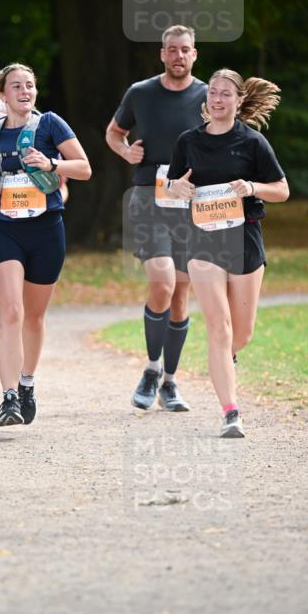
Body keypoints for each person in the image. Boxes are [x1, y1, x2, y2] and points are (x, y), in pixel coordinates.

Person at [0, 63, 91, 426]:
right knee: (11, 311)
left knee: (33, 316)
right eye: (16, 86)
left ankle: (27, 381)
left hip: (47, 229)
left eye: (30, 85)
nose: (24, 91)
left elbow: (84, 167)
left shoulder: (51, 124)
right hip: (3, 229)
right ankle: (9, 398)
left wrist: (51, 162)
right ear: (2, 94)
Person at [166, 70, 287, 437]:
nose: (218, 99)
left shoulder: (252, 142)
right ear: (206, 101)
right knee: (218, 327)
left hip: (245, 238)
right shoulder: (188, 141)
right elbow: (172, 185)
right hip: (203, 240)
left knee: (241, 333)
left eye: (225, 94)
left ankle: (225, 362)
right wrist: (178, 189)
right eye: (213, 93)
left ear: (238, 101)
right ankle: (230, 411)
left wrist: (251, 186)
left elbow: (281, 190)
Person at [106, 25, 207, 413]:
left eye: (185, 50)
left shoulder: (206, 96)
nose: (178, 56)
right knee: (163, 283)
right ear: (162, 54)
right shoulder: (141, 92)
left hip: (191, 203)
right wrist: (125, 151)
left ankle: (170, 381)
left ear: (194, 55)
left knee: (181, 293)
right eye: (172, 50)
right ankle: (150, 368)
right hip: (149, 197)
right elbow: (115, 132)